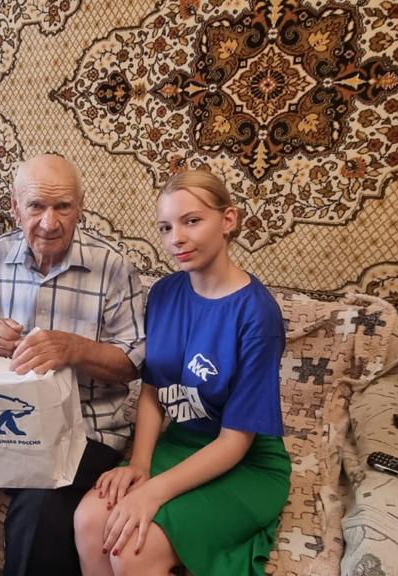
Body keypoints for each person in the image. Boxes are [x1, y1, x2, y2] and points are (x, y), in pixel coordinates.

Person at [0, 154, 147, 576]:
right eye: (36, 206)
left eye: (63, 207)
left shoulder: (112, 266)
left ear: (80, 207)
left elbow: (132, 364)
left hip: (85, 426)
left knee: (38, 513)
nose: (49, 222)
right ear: (15, 207)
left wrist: (75, 349)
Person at [73, 169, 291, 576]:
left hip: (244, 461)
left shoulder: (258, 315)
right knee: (88, 520)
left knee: (132, 550)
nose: (176, 238)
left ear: (228, 220)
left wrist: (153, 492)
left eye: (192, 221)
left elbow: (234, 443)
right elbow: (153, 390)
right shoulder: (164, 293)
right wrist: (139, 464)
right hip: (180, 443)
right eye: (166, 227)